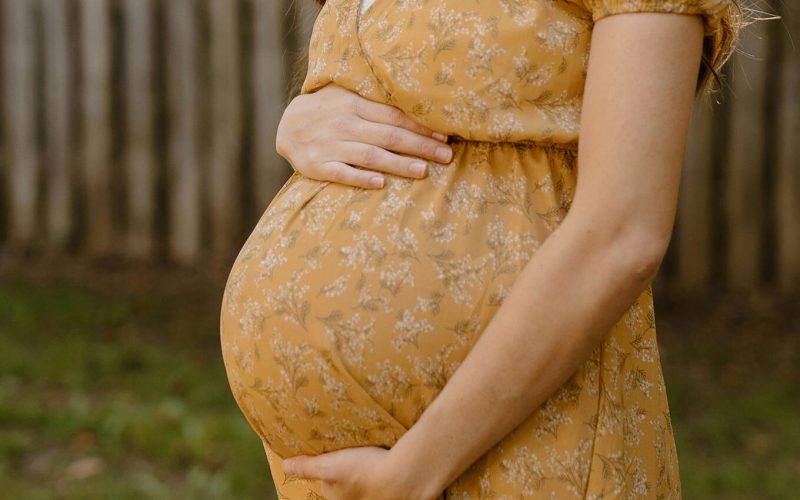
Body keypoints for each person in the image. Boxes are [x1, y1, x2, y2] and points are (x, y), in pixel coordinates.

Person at [219, 0, 743, 498]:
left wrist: (413, 472)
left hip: (511, 446)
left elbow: (623, 234)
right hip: (336, 474)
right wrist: (301, 117)